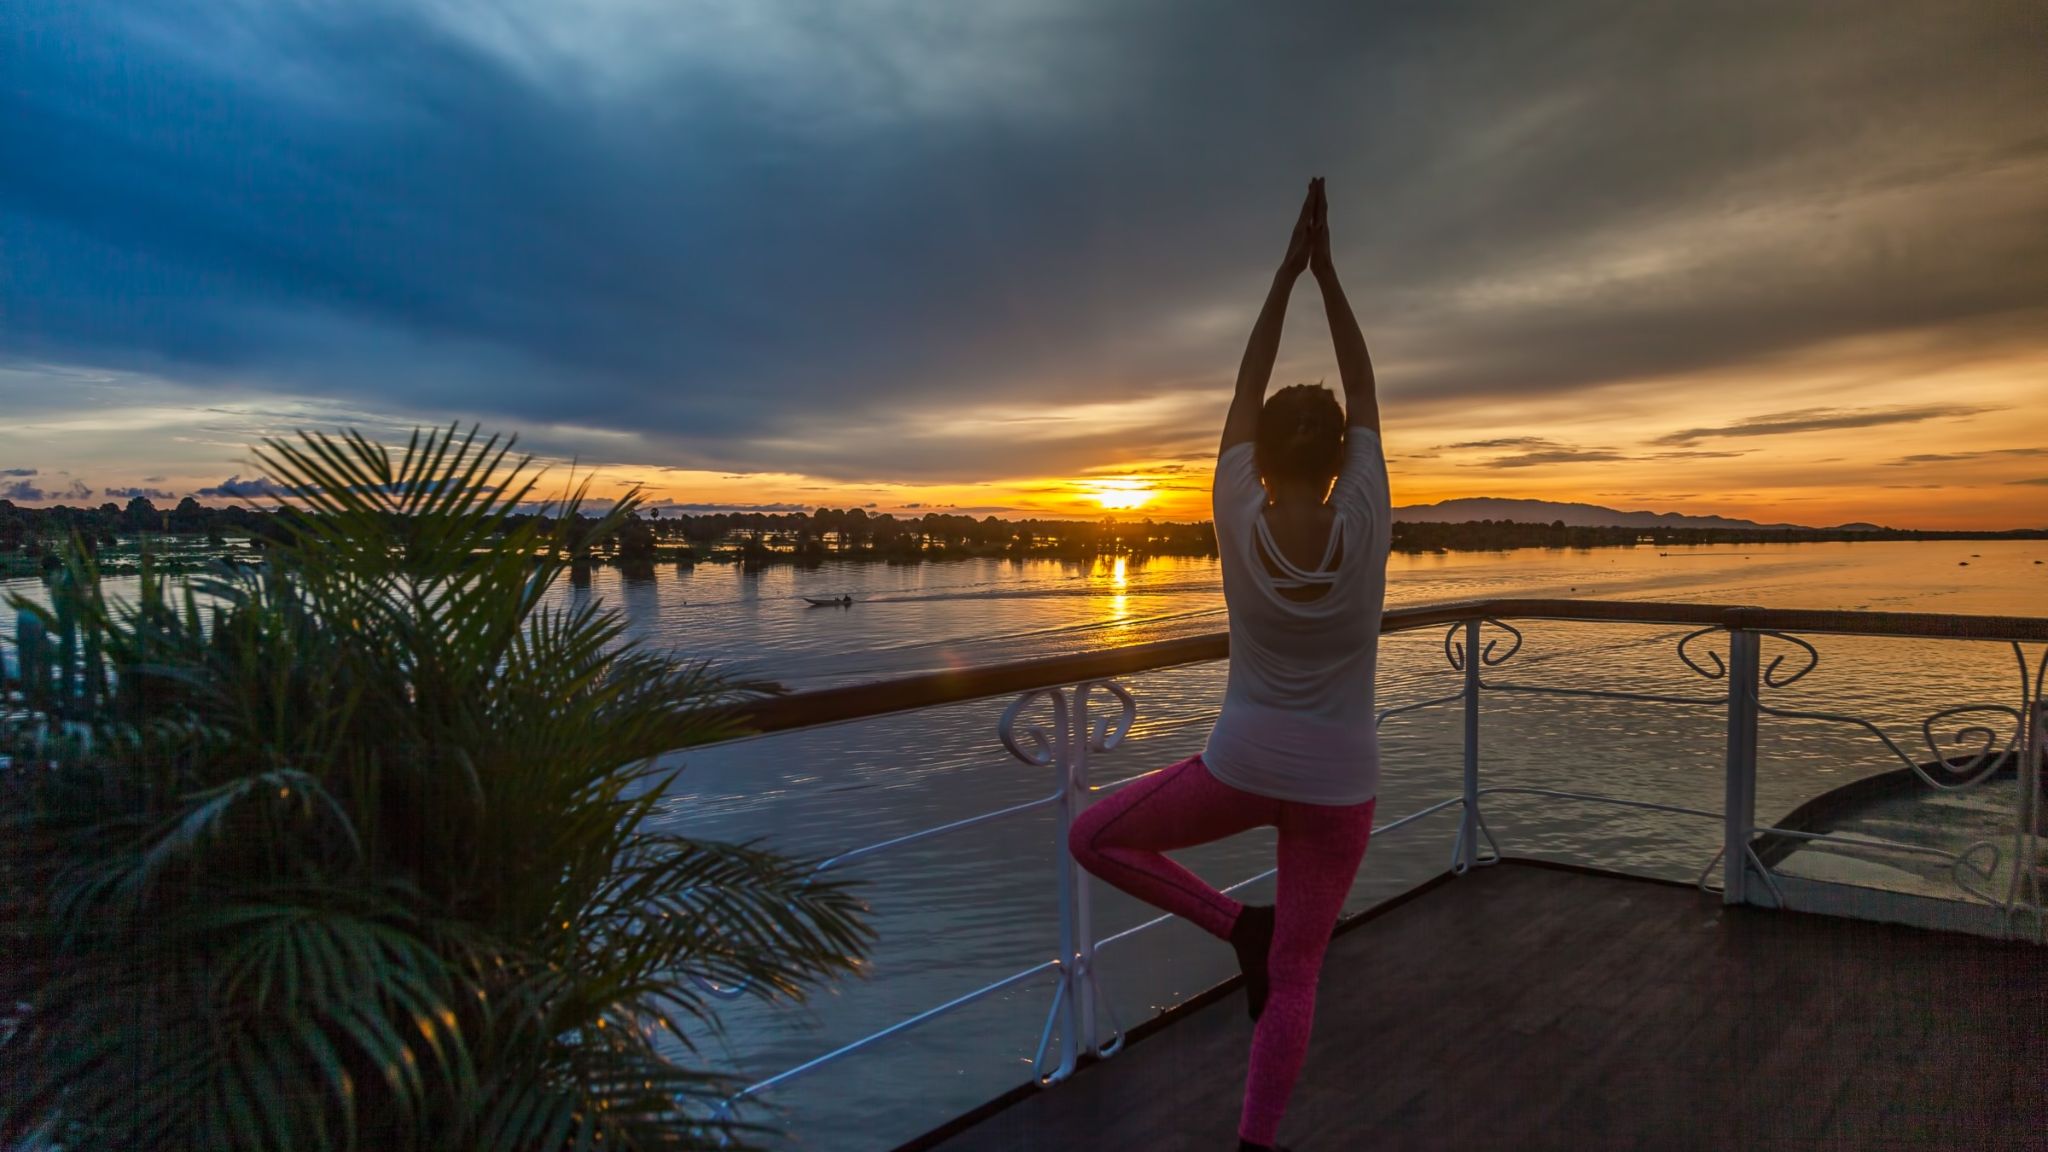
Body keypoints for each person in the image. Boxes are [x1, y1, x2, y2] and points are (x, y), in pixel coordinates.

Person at [1067, 177, 1388, 1152]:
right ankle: (1253, 1145)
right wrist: (1328, 278)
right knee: (1298, 978)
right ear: (1342, 459)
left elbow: (1241, 397)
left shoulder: (1234, 512)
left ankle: (1229, 926)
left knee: (1092, 837)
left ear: (1258, 457)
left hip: (1241, 765)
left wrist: (1284, 274)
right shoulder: (1367, 516)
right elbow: (1366, 389)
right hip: (1343, 786)